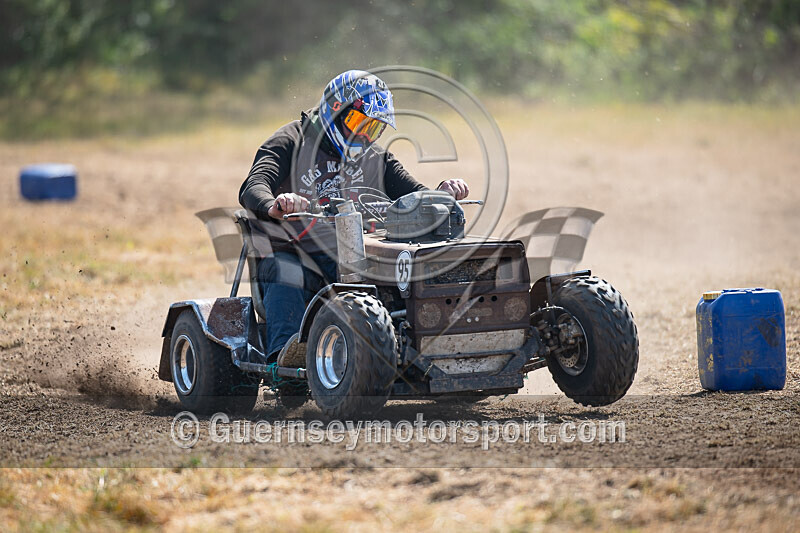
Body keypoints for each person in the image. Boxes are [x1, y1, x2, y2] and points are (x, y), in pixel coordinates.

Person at [239, 69, 469, 363]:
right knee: (288, 272)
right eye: (359, 123)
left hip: (355, 251)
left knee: (408, 265)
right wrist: (275, 204)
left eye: (373, 129)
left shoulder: (375, 157)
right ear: (334, 111)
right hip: (295, 251)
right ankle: (284, 360)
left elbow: (415, 196)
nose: (364, 135)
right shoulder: (290, 141)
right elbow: (253, 185)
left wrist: (442, 193)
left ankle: (420, 345)